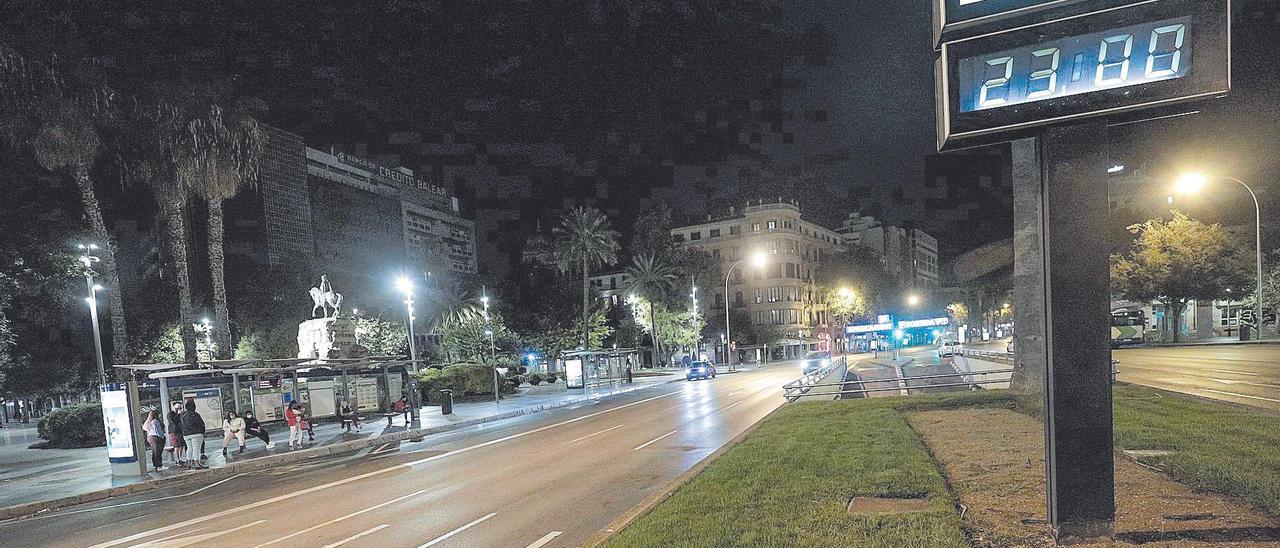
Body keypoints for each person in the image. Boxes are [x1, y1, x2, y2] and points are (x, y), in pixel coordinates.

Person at [179, 399, 206, 469]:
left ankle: (189, 463)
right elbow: (201, 424)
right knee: (196, 449)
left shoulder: (183, 415)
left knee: (189, 448)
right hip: (196, 433)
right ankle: (197, 463)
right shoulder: (196, 414)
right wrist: (202, 431)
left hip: (186, 434)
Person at [167, 401, 186, 467]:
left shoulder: (181, 414)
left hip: (181, 431)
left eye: (180, 408)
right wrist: (178, 414)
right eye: (177, 408)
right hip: (174, 431)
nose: (178, 409)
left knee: (182, 445)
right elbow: (173, 422)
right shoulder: (170, 414)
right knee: (177, 446)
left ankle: (180, 458)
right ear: (173, 407)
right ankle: (177, 460)